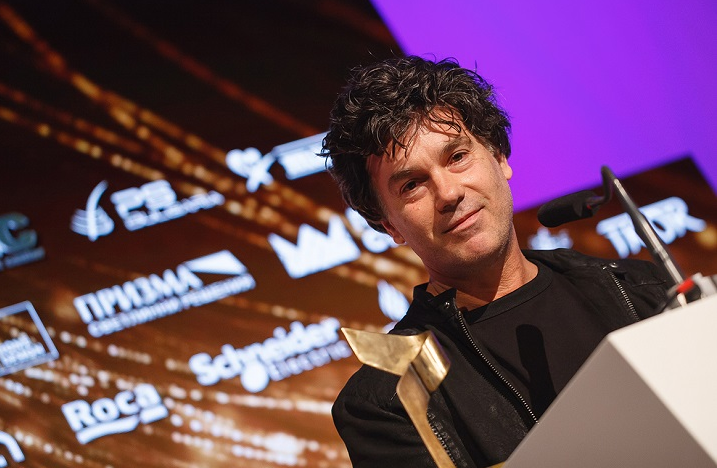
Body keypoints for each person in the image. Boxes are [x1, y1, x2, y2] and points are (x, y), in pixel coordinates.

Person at [321, 56, 668, 468]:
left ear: (499, 157)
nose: (449, 193)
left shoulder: (643, 290)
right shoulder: (386, 402)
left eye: (457, 157)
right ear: (389, 225)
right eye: (412, 184)